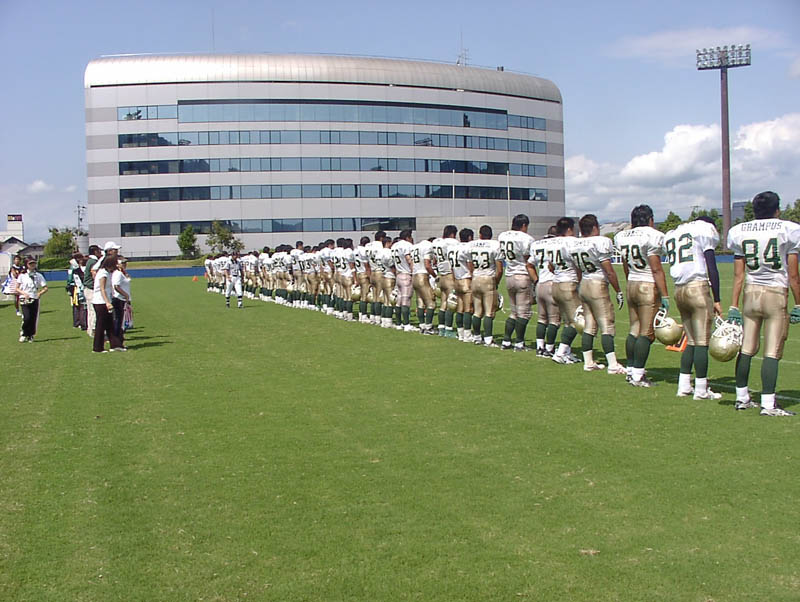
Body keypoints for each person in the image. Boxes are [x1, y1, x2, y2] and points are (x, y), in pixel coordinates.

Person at [727, 191, 800, 416]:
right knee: (772, 350)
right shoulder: (788, 229)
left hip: (751, 293)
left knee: (746, 348)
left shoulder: (739, 231)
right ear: (777, 209)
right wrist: (798, 304)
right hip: (775, 293)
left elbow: (738, 275)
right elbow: (793, 275)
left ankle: (741, 398)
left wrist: (733, 305)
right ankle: (768, 404)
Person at [664, 216, 722, 400]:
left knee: (691, 340)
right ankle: (701, 389)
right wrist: (717, 298)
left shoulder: (674, 233)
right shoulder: (704, 229)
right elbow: (711, 266)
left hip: (679, 290)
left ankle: (683, 386)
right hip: (697, 287)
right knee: (702, 341)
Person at [614, 205, 668, 387]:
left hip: (631, 282)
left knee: (634, 329)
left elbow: (625, 264)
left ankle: (631, 371)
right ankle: (638, 375)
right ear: (650, 219)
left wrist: (629, 281)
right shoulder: (653, 235)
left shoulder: (621, 236)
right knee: (647, 333)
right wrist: (665, 295)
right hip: (647, 284)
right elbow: (656, 269)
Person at [572, 214, 626, 374]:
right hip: (597, 284)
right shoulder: (600, 242)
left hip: (584, 283)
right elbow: (609, 271)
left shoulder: (575, 244)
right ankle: (613, 364)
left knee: (589, 324)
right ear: (595, 227)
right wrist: (618, 290)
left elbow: (577, 270)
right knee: (606, 324)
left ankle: (588, 362)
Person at [498, 214, 538, 351]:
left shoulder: (503, 236)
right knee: (524, 313)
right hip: (522, 275)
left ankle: (506, 341)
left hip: (509, 275)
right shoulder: (527, 238)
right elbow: (528, 260)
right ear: (524, 225)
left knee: (514, 312)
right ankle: (519, 343)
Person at [550, 217, 585, 365]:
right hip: (568, 283)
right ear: (570, 228)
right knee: (577, 321)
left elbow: (550, 266)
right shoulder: (573, 242)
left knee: (567, 321)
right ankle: (560, 352)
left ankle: (567, 352)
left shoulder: (553, 242)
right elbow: (578, 264)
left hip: (556, 284)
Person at [468, 225, 503, 347]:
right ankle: (488, 339)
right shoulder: (495, 245)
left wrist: (474, 276)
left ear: (480, 234)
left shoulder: (472, 245)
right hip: (488, 278)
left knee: (477, 311)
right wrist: (496, 282)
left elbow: (470, 265)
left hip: (475, 278)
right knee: (489, 312)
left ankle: (477, 337)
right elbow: (499, 270)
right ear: (491, 235)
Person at [530, 226, 561, 357]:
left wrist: (536, 280)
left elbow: (529, 265)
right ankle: (549, 348)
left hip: (540, 284)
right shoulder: (558, 243)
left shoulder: (536, 244)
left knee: (542, 318)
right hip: (552, 283)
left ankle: (540, 346)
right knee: (554, 320)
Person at [431, 226, 460, 336]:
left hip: (441, 275)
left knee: (443, 303)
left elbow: (434, 260)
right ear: (452, 234)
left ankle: (441, 328)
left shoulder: (437, 242)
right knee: (451, 303)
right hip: (449, 275)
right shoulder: (453, 243)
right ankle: (448, 329)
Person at [92, 255, 124, 352]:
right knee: (100, 325)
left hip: (105, 301)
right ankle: (97, 348)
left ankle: (115, 345)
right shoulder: (103, 273)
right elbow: (102, 289)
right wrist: (107, 302)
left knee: (110, 325)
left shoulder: (107, 273)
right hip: (100, 302)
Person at [16, 258, 48, 342]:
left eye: (34, 263)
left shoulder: (38, 275)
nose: (32, 265)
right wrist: (24, 293)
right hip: (24, 299)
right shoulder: (22, 276)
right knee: (26, 317)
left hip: (34, 298)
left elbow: (45, 287)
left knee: (33, 318)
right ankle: (24, 333)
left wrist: (39, 293)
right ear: (27, 265)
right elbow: (17, 288)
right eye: (30, 264)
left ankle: (31, 335)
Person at [411, 234, 437, 334]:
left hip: (414, 276)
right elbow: (427, 265)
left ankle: (422, 326)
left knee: (420, 302)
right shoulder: (428, 247)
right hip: (422, 276)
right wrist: (435, 276)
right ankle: (428, 327)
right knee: (431, 303)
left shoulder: (415, 247)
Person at [453, 228, 474, 341]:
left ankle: (460, 334)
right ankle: (467, 335)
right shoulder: (468, 247)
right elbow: (470, 265)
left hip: (456, 279)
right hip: (466, 280)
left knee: (459, 309)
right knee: (468, 309)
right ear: (470, 237)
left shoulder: (453, 247)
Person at [392, 230, 415, 331]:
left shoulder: (394, 246)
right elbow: (409, 259)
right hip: (406, 274)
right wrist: (413, 272)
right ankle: (406, 324)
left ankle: (398, 323)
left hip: (398, 274)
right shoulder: (406, 245)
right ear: (408, 237)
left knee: (398, 300)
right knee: (406, 300)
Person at [82, 245, 103, 337]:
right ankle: (93, 330)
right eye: (99, 251)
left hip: (88, 288)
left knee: (90, 310)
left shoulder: (90, 261)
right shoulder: (93, 262)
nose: (100, 252)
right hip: (91, 289)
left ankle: (90, 329)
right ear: (95, 252)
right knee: (94, 310)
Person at [112, 256, 132, 339]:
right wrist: (125, 295)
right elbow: (116, 286)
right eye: (122, 263)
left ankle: (119, 338)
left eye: (125, 263)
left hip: (124, 298)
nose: (125, 264)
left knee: (123, 321)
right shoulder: (118, 274)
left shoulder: (122, 273)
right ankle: (116, 339)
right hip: (120, 298)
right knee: (119, 320)